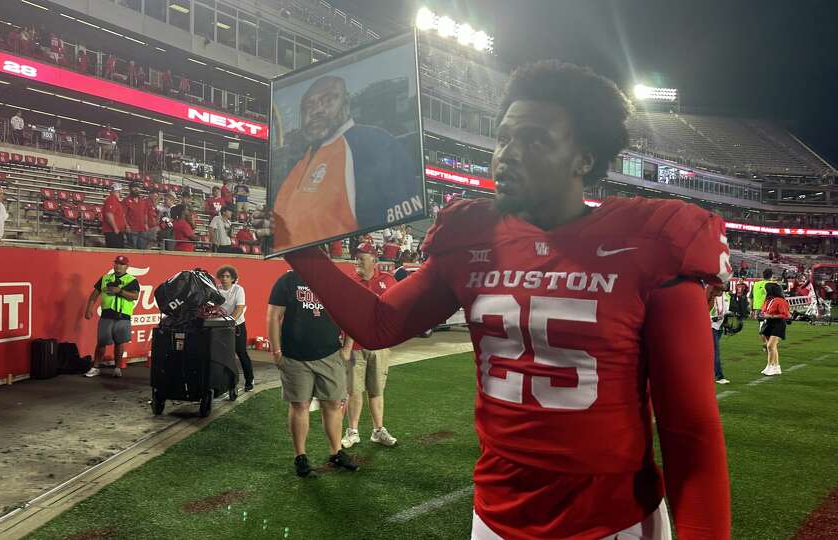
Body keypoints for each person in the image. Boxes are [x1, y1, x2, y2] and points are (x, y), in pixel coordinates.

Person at [284, 61, 732, 538]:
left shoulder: (652, 241)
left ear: (584, 158)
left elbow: (690, 432)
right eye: (504, 138)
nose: (508, 154)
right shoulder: (473, 235)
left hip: (614, 523)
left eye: (535, 139)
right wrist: (300, 249)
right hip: (496, 517)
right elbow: (379, 325)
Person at [272, 76, 423, 252]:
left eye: (328, 100)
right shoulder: (300, 160)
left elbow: (402, 207)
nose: (317, 111)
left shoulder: (376, 143)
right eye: (309, 107)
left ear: (346, 104)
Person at [267, 269, 359, 477]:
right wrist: (276, 351)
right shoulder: (287, 280)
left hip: (330, 355)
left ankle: (336, 453)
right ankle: (300, 457)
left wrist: (347, 348)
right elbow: (274, 316)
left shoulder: (334, 282)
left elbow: (350, 315)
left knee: (334, 404)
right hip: (295, 357)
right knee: (300, 405)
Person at [340, 243, 398, 449]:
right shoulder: (349, 281)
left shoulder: (387, 280)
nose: (357, 262)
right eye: (356, 258)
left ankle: (378, 429)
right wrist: (345, 346)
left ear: (374, 260)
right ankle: (353, 431)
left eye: (362, 258)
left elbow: (395, 309)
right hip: (355, 344)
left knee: (376, 389)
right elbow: (345, 316)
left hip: (379, 345)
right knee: (354, 390)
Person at [84, 255, 140, 378]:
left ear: (127, 266)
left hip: (123, 315)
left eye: (121, 264)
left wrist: (119, 291)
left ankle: (117, 368)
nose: (118, 266)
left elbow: (135, 296)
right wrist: (89, 308)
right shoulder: (105, 278)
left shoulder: (131, 280)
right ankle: (96, 367)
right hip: (107, 314)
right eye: (116, 263)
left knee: (119, 343)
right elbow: (95, 294)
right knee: (101, 342)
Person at [216, 265, 255, 391]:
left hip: (237, 326)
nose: (224, 278)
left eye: (227, 276)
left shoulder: (239, 289)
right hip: (222, 327)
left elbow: (239, 308)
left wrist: (230, 321)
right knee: (223, 355)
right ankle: (227, 383)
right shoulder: (216, 290)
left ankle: (249, 380)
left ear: (233, 278)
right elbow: (213, 308)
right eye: (222, 276)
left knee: (241, 353)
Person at [759, 282, 789, 376]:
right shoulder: (768, 300)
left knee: (770, 346)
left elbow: (785, 315)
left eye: (765, 289)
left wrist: (771, 316)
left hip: (778, 324)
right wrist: (761, 315)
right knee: (772, 346)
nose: (764, 290)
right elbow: (764, 311)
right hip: (768, 323)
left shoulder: (780, 300)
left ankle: (770, 366)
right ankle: (775, 366)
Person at [708, 284, 731, 385]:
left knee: (710, 352)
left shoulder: (725, 296)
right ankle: (719, 376)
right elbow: (702, 309)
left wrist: (726, 322)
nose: (724, 287)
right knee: (715, 352)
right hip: (710, 326)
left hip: (719, 326)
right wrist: (711, 318)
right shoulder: (709, 295)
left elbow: (725, 311)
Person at [123, 182, 151, 249]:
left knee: (142, 248)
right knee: (132, 247)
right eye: (134, 187)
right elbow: (123, 215)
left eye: (137, 187)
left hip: (142, 229)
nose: (136, 189)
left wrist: (146, 224)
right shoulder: (126, 200)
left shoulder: (143, 201)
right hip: (132, 229)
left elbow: (145, 213)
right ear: (130, 189)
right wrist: (126, 226)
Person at [102, 183, 127, 248]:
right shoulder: (112, 199)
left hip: (117, 231)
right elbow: (109, 214)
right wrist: (115, 228)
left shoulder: (115, 200)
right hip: (113, 232)